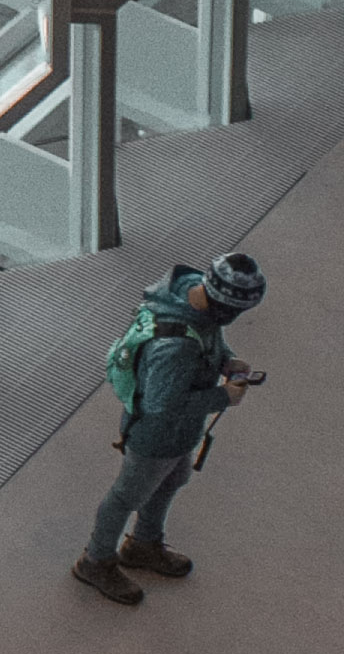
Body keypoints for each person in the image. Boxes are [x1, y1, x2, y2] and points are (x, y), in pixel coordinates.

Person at [74, 249, 268, 608]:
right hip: (154, 436)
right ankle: (96, 560)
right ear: (223, 307)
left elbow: (210, 337)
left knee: (173, 479)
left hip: (180, 433)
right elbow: (161, 405)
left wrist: (225, 360)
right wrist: (222, 396)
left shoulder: (195, 294)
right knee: (125, 496)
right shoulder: (173, 347)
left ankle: (144, 544)